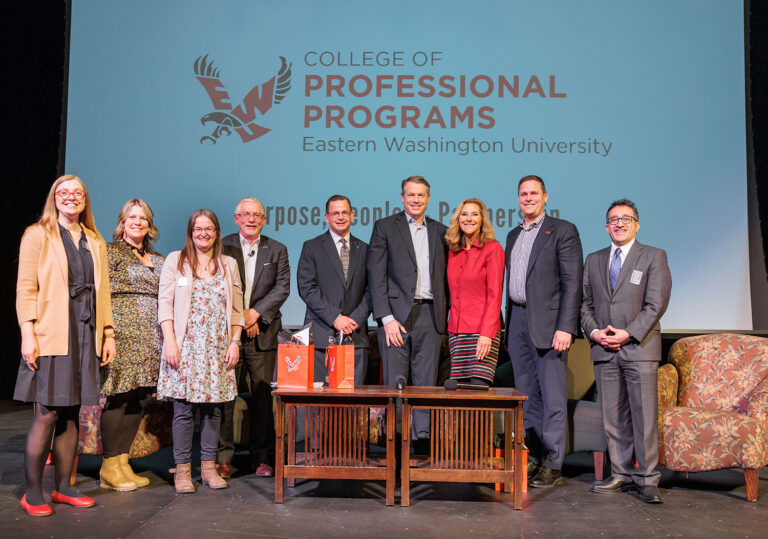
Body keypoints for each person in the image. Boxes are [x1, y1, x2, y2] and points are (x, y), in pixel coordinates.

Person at [15, 174, 115, 516]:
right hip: (52, 333)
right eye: (64, 192)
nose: (71, 197)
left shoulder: (95, 239)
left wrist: (108, 334)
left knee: (73, 413)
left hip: (86, 333)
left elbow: (103, 292)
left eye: (77, 193)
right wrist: (27, 334)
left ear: (85, 199)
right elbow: (25, 288)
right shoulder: (38, 233)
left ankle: (63, 487)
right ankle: (33, 493)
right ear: (54, 198)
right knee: (48, 413)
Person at [581, 199, 672, 504]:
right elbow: (584, 305)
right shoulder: (594, 259)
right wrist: (594, 332)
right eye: (613, 219)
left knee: (644, 416)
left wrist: (628, 333)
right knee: (612, 417)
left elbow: (655, 304)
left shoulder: (654, 256)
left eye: (626, 218)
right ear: (606, 226)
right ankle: (620, 473)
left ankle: (646, 479)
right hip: (604, 349)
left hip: (639, 348)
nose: (619, 223)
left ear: (637, 224)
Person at [156, 209, 244, 493]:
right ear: (190, 232)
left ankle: (208, 468)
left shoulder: (228, 264)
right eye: (198, 229)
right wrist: (170, 341)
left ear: (217, 233)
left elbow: (237, 310)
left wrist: (235, 342)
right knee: (183, 411)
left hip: (218, 349)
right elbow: (164, 304)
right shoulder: (176, 260)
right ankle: (182, 471)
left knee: (213, 411)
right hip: (185, 347)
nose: (203, 234)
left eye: (208, 229)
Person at [504, 174, 583, 488]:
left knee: (552, 397)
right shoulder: (512, 235)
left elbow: (572, 284)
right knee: (526, 396)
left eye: (534, 193)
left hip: (550, 327)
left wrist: (566, 327)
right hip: (518, 322)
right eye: (523, 194)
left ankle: (552, 462)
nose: (528, 198)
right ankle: (534, 456)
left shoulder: (562, 230)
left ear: (545, 197)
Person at [367, 176, 448, 449]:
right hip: (395, 318)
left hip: (430, 315)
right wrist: (386, 319)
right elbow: (376, 276)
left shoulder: (440, 231)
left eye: (421, 195)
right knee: (396, 384)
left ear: (428, 198)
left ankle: (421, 443)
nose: (416, 200)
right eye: (411, 195)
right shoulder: (385, 227)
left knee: (426, 385)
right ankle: (396, 444)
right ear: (402, 198)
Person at [217, 197, 290, 479]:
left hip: (263, 334)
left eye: (257, 215)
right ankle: (223, 458)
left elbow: (282, 287)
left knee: (262, 400)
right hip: (229, 334)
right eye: (246, 214)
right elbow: (216, 285)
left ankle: (262, 458)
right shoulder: (221, 246)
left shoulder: (278, 249)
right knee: (225, 398)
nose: (251, 219)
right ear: (236, 218)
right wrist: (240, 318)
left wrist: (256, 314)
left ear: (264, 220)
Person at [98, 199, 164, 491]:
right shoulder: (109, 252)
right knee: (119, 396)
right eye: (132, 217)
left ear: (150, 224)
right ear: (122, 222)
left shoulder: (159, 258)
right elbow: (101, 294)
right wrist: (107, 334)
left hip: (152, 337)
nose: (137, 222)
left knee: (142, 397)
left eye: (143, 218)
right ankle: (109, 465)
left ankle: (123, 462)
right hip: (122, 333)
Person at [297, 195, 371, 385]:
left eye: (344, 213)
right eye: (335, 213)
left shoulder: (366, 249)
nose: (340, 217)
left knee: (354, 401)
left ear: (352, 216)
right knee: (320, 401)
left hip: (355, 337)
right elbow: (307, 288)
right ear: (326, 217)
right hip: (321, 338)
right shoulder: (312, 247)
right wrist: (335, 318)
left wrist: (354, 320)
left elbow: (372, 290)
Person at [445, 198, 505, 386]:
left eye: (474, 214)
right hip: (457, 333)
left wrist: (487, 334)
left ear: (482, 220)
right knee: (459, 393)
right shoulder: (453, 251)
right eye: (464, 214)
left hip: (483, 333)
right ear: (458, 219)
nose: (469, 219)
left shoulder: (493, 249)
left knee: (478, 390)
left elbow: (495, 296)